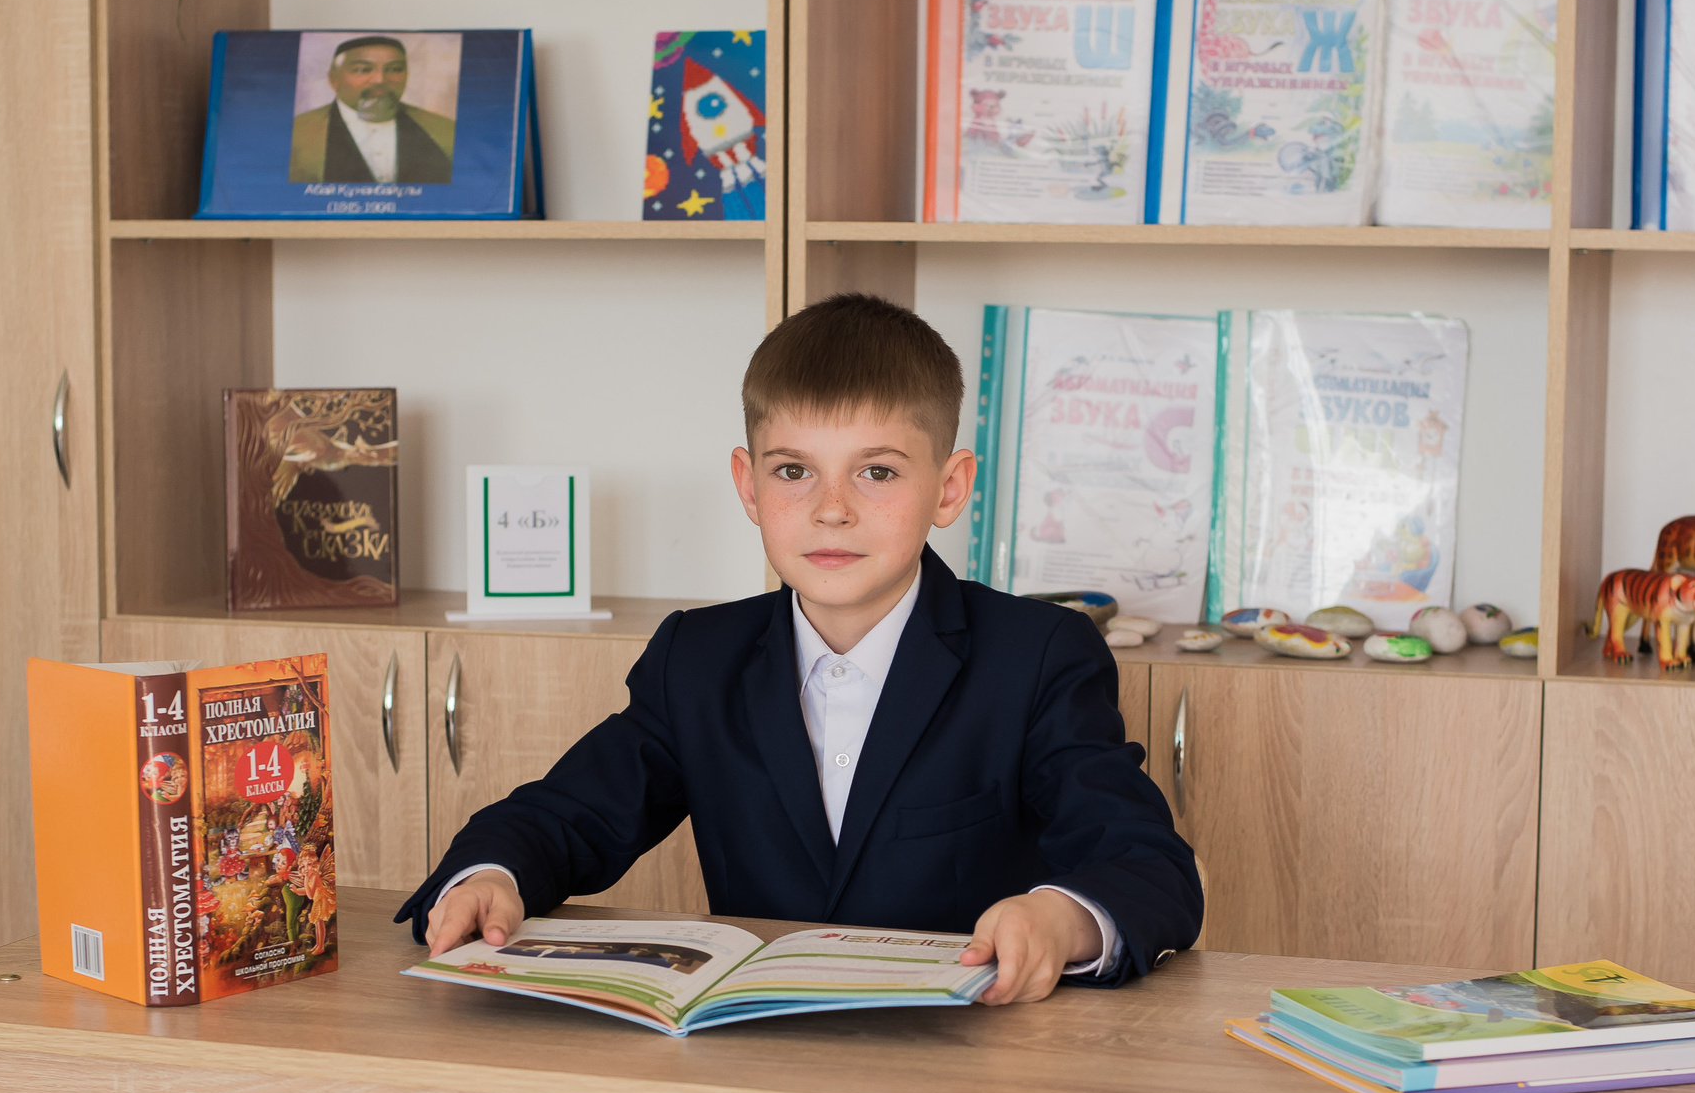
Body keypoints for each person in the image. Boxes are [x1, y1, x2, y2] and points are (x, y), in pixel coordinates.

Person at [395, 294, 1202, 1003]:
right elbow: (564, 815)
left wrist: (1060, 917)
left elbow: (1144, 863)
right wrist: (489, 876)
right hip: (752, 1061)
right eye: (793, 471)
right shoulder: (696, 658)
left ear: (948, 488)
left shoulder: (1034, 656)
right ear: (749, 486)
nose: (831, 510)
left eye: (877, 473)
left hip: (968, 1064)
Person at [289, 35, 454, 185]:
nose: (380, 80)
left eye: (395, 69)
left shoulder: (444, 130)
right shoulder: (296, 133)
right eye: (363, 70)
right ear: (334, 79)